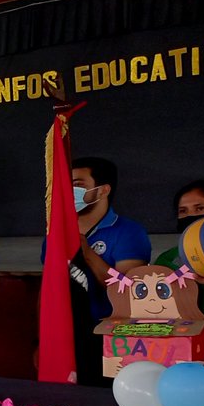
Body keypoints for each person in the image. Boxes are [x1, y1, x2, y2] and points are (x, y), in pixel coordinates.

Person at [52, 157, 151, 385]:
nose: (70, 192)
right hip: (65, 336)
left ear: (103, 190)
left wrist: (86, 252)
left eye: (77, 184)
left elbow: (125, 290)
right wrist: (41, 339)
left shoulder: (129, 232)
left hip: (111, 337)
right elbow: (49, 287)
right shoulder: (56, 233)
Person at [154, 180, 204, 375]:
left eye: (200, 208)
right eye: (183, 212)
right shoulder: (168, 260)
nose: (191, 217)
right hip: (184, 367)